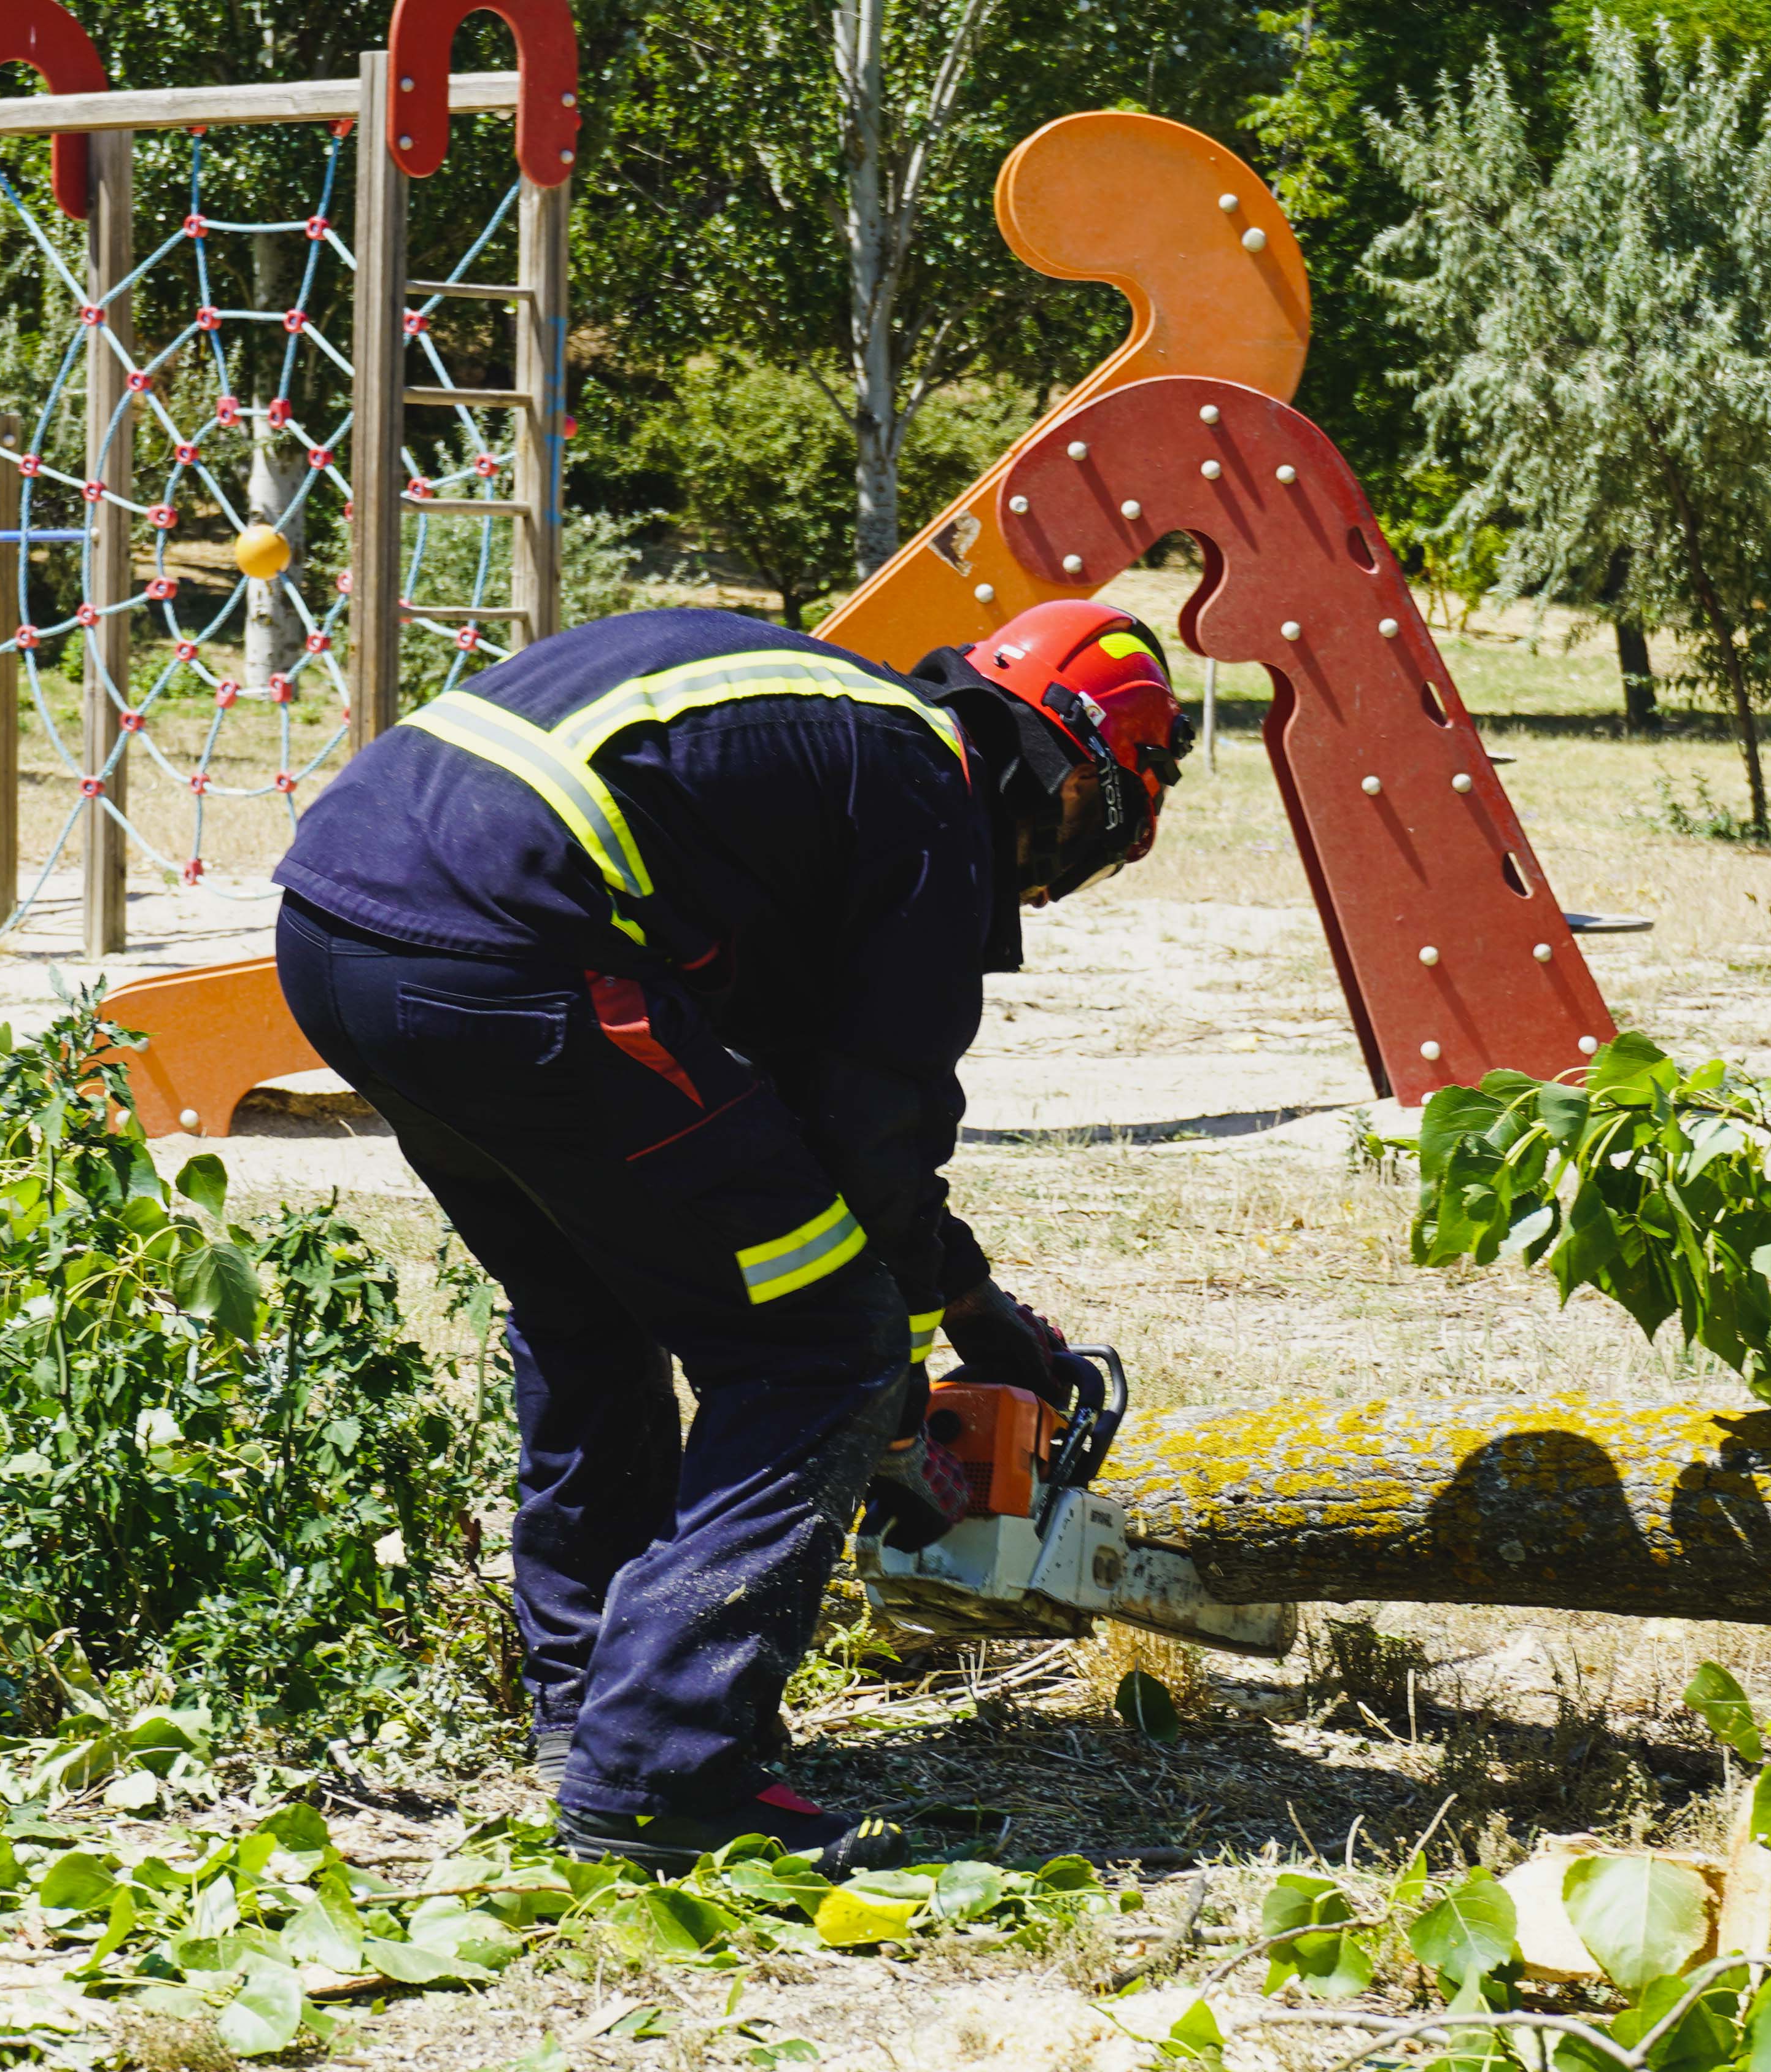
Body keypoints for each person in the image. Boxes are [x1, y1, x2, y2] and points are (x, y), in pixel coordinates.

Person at [268, 600, 1192, 1876]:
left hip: (340, 931)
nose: (1041, 884)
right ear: (1084, 782)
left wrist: (972, 1303)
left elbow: (794, 1106)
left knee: (594, 1303)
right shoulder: (927, 793)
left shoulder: (835, 737)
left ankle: (588, 1710)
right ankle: (663, 1773)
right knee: (823, 1348)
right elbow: (875, 1123)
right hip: (521, 947)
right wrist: (897, 1368)